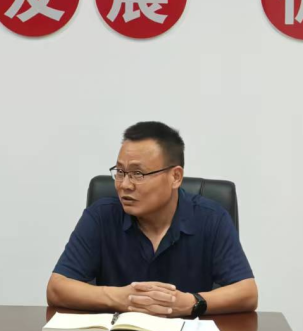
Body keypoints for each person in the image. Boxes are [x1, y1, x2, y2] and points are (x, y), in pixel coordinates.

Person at [46, 121, 257, 317]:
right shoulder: (101, 216)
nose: (124, 185)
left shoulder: (211, 218)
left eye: (138, 174)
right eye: (120, 172)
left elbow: (247, 293)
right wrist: (122, 298)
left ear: (175, 177)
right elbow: (57, 288)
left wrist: (191, 302)